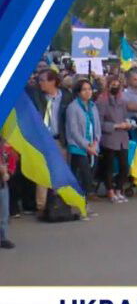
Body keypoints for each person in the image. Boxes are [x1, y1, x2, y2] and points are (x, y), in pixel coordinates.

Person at [27, 69, 74, 213]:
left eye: (43, 80)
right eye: (39, 80)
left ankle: (59, 203)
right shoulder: (37, 96)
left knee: (60, 171)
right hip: (42, 139)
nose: (40, 83)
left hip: (59, 138)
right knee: (43, 173)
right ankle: (41, 206)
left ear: (53, 81)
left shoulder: (66, 97)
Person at [65, 79, 101, 219]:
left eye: (89, 89)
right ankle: (81, 206)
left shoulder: (93, 106)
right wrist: (86, 146)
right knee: (83, 176)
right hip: (78, 147)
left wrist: (95, 143)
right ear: (78, 92)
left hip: (93, 146)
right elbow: (73, 131)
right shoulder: (73, 107)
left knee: (90, 175)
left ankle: (83, 204)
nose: (88, 92)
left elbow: (97, 126)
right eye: (84, 89)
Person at [96, 76, 131, 203]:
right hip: (109, 138)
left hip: (122, 138)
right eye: (113, 84)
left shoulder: (122, 100)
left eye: (117, 84)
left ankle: (119, 189)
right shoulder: (102, 101)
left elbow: (126, 116)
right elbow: (99, 122)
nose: (115, 86)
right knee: (109, 167)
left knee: (124, 167)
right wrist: (115, 126)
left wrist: (128, 123)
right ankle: (110, 191)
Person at [0, 139, 17, 248]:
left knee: (4, 213)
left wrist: (8, 173)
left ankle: (3, 237)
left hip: (2, 184)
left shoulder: (10, 150)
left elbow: (12, 164)